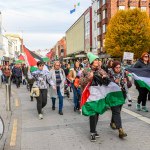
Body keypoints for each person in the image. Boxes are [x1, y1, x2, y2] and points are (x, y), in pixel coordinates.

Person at [80, 52, 108, 142]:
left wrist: (104, 76)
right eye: (96, 60)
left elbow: (106, 77)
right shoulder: (85, 70)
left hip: (99, 94)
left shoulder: (100, 70)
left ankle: (94, 130)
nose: (97, 61)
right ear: (92, 61)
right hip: (90, 95)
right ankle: (92, 132)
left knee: (97, 112)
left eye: (98, 60)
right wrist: (89, 77)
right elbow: (81, 82)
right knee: (92, 113)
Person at [108, 61, 129, 138]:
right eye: (116, 67)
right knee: (116, 111)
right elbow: (107, 83)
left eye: (119, 67)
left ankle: (112, 122)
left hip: (122, 94)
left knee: (117, 110)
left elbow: (129, 85)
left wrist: (126, 81)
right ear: (113, 68)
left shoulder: (123, 73)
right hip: (113, 95)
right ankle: (120, 130)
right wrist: (114, 82)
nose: (118, 69)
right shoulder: (109, 74)